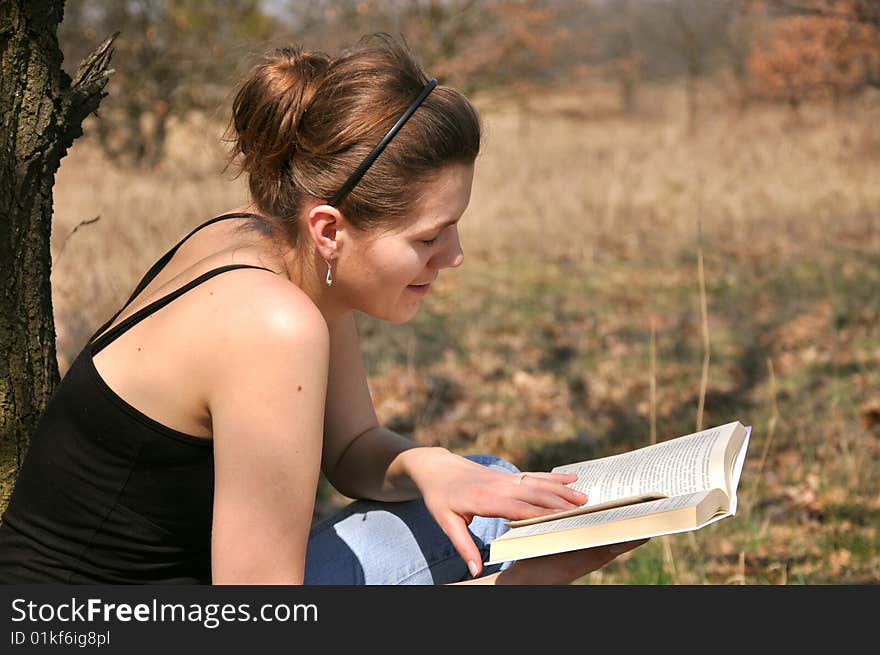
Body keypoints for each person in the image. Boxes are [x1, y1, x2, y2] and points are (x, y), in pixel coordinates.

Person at [0, 33, 646, 585]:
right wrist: (522, 588)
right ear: (330, 229)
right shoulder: (273, 325)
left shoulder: (271, 245)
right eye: (428, 237)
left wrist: (432, 466)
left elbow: (353, 447)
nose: (454, 256)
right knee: (500, 520)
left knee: (486, 485)